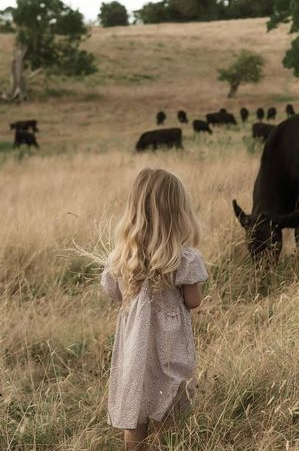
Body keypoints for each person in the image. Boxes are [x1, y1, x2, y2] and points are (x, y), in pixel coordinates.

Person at [100, 168, 208, 450]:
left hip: (134, 349)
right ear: (178, 213)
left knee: (135, 414)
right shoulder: (183, 257)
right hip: (169, 349)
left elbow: (112, 291)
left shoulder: (122, 257)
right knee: (166, 410)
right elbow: (194, 300)